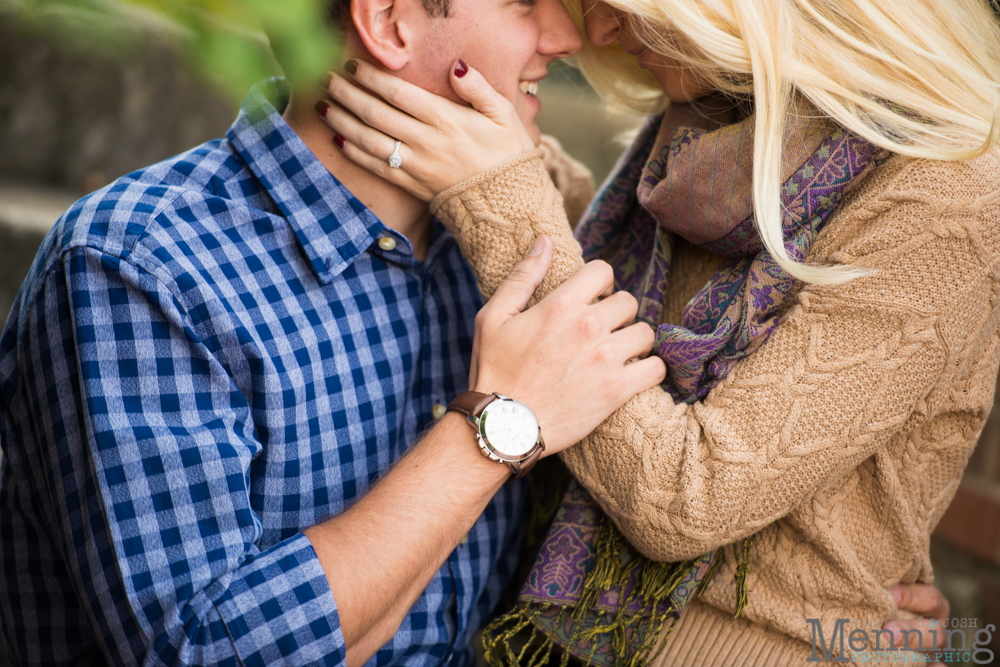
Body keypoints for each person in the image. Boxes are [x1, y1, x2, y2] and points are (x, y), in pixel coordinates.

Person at [312, 0, 1000, 664]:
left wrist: (503, 198)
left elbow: (690, 498)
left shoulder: (951, 193)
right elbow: (641, 303)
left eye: (621, 1)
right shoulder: (708, 122)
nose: (598, 29)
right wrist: (521, 179)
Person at [0, 1, 673, 666]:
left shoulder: (491, 252)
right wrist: (499, 424)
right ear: (386, 22)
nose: (565, 37)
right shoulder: (138, 264)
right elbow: (201, 652)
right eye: (523, 2)